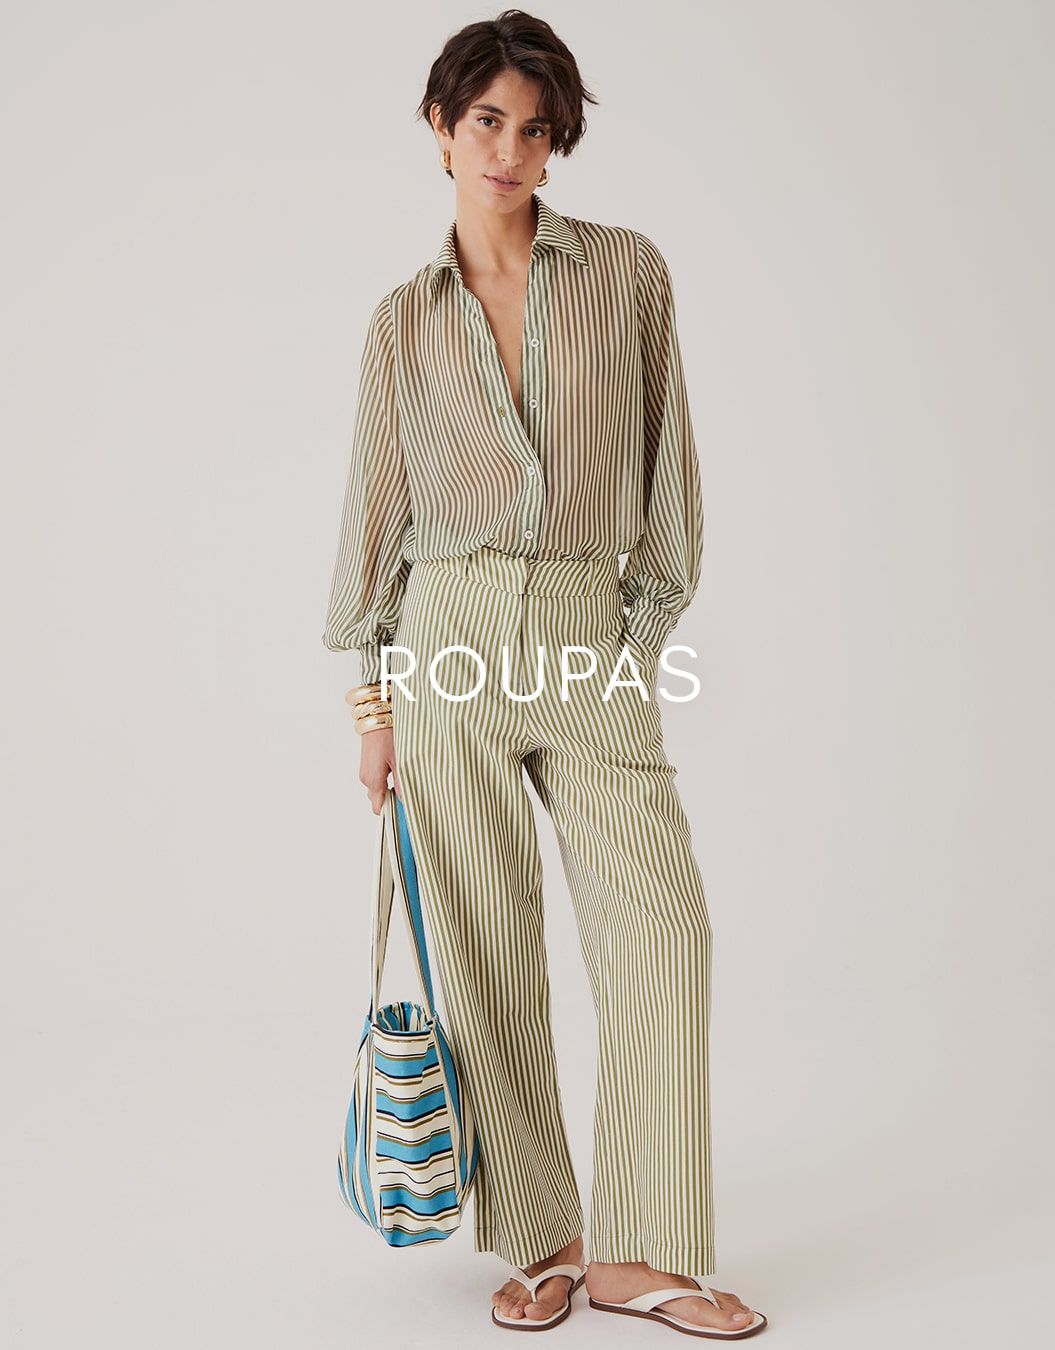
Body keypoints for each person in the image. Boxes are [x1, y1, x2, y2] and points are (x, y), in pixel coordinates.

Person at [322, 9, 768, 1340]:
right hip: (444, 643)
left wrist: (634, 635)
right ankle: (545, 1237)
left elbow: (670, 472)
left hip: (587, 630)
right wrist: (374, 710)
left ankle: (644, 1251)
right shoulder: (402, 324)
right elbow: (376, 529)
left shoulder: (626, 272)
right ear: (442, 127)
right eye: (486, 122)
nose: (509, 151)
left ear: (557, 141)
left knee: (663, 927)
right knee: (486, 950)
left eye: (534, 128)